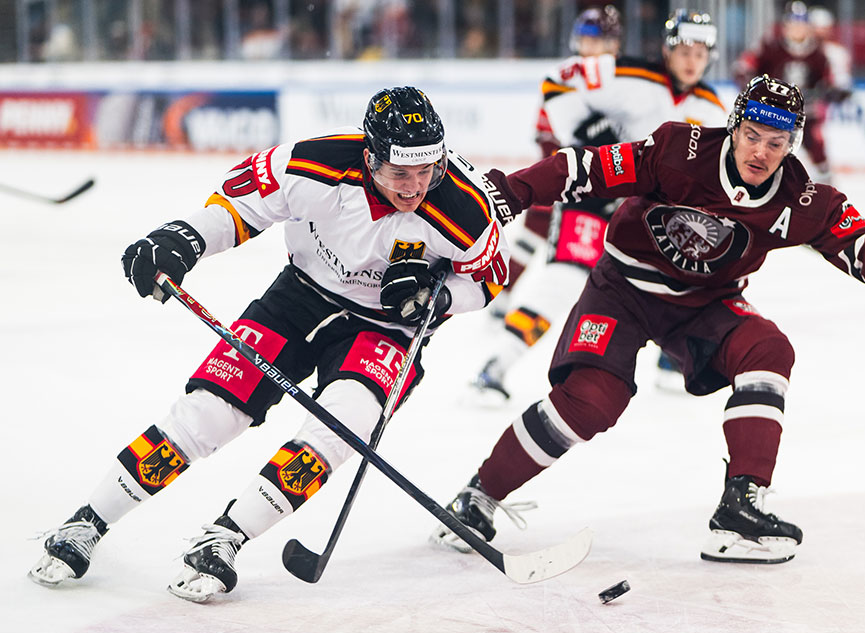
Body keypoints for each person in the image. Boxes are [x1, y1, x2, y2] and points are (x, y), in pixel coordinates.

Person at [28, 86, 510, 602]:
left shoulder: (467, 206)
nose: (415, 187)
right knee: (210, 412)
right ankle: (87, 522)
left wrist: (434, 299)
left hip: (387, 327)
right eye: (399, 173)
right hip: (298, 297)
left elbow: (486, 280)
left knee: (340, 424)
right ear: (371, 158)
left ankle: (225, 538)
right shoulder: (312, 165)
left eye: (427, 171)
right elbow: (238, 207)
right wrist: (180, 239)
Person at [432, 75, 865, 564]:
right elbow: (584, 166)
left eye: (776, 142)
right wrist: (510, 192)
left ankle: (741, 506)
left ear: (792, 144)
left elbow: (862, 248)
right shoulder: (679, 149)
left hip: (705, 305)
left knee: (768, 349)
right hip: (624, 289)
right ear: (733, 128)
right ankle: (478, 495)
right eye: (752, 136)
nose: (760, 152)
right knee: (589, 403)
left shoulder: (801, 199)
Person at [472, 9, 726, 401]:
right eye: (685, 50)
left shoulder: (711, 107)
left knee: (680, 279)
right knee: (563, 282)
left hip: (644, 213)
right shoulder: (629, 73)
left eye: (701, 52)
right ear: (667, 49)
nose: (692, 60)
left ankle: (671, 358)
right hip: (591, 196)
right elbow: (558, 81)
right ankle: (496, 366)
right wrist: (584, 132)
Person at [491, 4, 624, 328]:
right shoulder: (564, 77)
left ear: (614, 45)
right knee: (536, 233)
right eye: (585, 39)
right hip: (566, 176)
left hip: (605, 183)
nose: (590, 47)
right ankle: (503, 295)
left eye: (598, 40)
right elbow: (548, 136)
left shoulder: (625, 80)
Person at [733, 1, 842, 183]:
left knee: (816, 145)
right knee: (768, 146)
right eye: (792, 24)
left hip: (806, 112)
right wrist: (753, 88)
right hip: (773, 113)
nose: (796, 29)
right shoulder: (770, 47)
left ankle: (826, 184)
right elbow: (744, 67)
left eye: (800, 25)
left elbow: (829, 80)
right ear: (785, 26)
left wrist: (830, 91)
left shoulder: (818, 53)